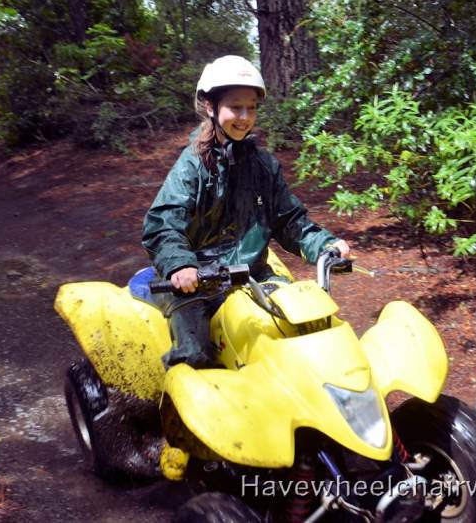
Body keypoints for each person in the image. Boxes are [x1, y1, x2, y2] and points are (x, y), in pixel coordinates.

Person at [142, 55, 350, 370]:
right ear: (211, 107)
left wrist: (324, 245)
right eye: (235, 107)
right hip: (198, 282)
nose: (244, 117)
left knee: (309, 329)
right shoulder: (192, 166)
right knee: (195, 359)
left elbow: (289, 220)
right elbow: (162, 225)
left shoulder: (263, 166)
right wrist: (181, 265)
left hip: (253, 276)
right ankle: (178, 415)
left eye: (251, 108)